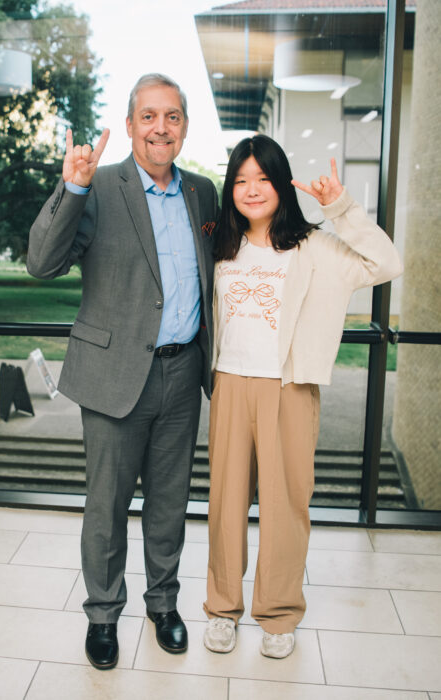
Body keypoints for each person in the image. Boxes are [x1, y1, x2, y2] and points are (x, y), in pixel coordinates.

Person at [27, 73, 219, 669]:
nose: (161, 127)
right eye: (148, 116)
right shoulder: (100, 187)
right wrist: (71, 187)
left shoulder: (204, 195)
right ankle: (104, 615)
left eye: (173, 116)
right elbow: (40, 262)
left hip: (183, 375)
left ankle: (163, 604)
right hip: (114, 377)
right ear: (132, 123)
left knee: (169, 502)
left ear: (184, 125)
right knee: (106, 506)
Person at [202, 134, 402, 659]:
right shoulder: (221, 244)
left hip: (289, 388)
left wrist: (341, 208)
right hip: (228, 384)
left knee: (286, 506)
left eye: (263, 178)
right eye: (241, 181)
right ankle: (222, 608)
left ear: (281, 184)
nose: (251, 189)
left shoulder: (317, 245)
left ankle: (278, 614)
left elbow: (386, 264)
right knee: (224, 505)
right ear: (231, 190)